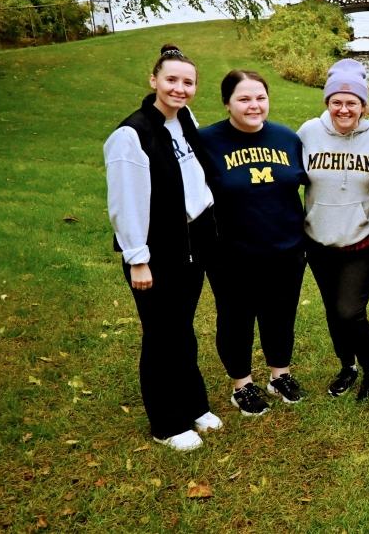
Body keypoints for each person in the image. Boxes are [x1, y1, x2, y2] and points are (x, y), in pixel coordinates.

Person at [104, 43, 222, 451]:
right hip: (156, 254)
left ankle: (193, 404)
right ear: (153, 80)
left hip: (191, 243)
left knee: (181, 331)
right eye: (171, 80)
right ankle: (167, 423)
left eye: (188, 82)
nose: (180, 88)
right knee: (161, 335)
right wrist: (138, 258)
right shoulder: (131, 134)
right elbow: (125, 203)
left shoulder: (183, 119)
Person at [199, 70, 308, 416]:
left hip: (286, 248)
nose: (253, 105)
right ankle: (242, 385)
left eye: (260, 98)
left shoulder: (287, 138)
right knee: (236, 319)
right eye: (244, 99)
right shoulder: (206, 142)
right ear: (227, 102)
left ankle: (280, 375)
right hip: (232, 253)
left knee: (281, 314)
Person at [298, 60, 369, 400]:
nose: (344, 108)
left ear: (363, 105)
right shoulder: (308, 133)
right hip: (318, 241)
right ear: (328, 103)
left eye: (352, 102)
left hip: (362, 240)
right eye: (337, 101)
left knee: (350, 310)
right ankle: (347, 366)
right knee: (333, 311)